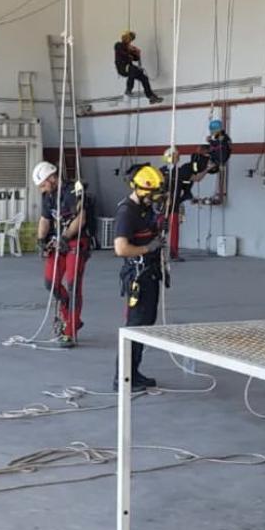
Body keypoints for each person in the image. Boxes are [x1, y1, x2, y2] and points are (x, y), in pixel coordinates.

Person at [113, 164, 167, 391]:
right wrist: (148, 248)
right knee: (135, 326)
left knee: (145, 326)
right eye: (151, 195)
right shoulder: (127, 212)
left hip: (150, 274)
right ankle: (122, 378)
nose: (154, 199)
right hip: (138, 276)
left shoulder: (145, 208)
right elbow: (121, 248)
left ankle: (134, 373)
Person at [34, 160, 87, 347]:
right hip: (58, 242)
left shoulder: (74, 191)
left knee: (73, 285)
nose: (41, 189)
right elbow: (45, 219)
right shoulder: (48, 196)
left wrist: (65, 237)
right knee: (51, 283)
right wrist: (41, 240)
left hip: (75, 241)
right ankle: (69, 315)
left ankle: (70, 330)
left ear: (52, 178)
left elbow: (80, 218)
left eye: (43, 184)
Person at [113, 32, 163, 103]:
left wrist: (137, 53)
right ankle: (128, 90)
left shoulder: (129, 48)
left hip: (129, 68)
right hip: (122, 68)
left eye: (131, 39)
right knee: (132, 69)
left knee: (144, 77)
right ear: (125, 38)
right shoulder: (118, 45)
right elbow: (122, 53)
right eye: (129, 39)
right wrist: (129, 50)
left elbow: (135, 59)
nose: (130, 41)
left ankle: (151, 96)